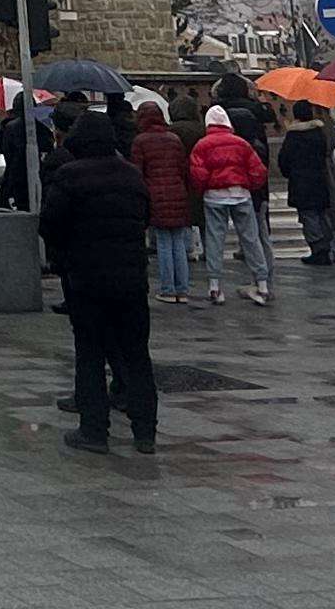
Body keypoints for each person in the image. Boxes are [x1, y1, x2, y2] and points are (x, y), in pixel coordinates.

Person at [40, 114, 156, 453]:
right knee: (136, 355)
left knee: (89, 353)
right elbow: (144, 217)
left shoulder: (70, 176)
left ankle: (94, 430)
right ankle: (145, 431)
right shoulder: (132, 175)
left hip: (87, 279)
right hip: (131, 280)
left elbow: (49, 224)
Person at [187, 109, 272, 307]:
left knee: (215, 240)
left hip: (214, 196)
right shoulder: (241, 143)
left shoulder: (202, 145)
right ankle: (262, 284)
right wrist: (247, 185)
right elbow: (258, 171)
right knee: (251, 239)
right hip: (240, 194)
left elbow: (197, 174)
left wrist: (207, 187)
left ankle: (215, 287)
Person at [130, 101, 197, 301]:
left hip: (155, 196)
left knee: (164, 243)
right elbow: (183, 169)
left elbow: (137, 172)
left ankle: (168, 289)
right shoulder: (174, 139)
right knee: (178, 242)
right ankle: (183, 289)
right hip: (177, 193)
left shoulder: (140, 141)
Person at [278, 104, 335, 265]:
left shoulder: (293, 136)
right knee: (321, 215)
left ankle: (318, 247)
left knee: (308, 216)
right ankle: (325, 244)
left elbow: (283, 160)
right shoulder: (320, 133)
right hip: (321, 181)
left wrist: (290, 173)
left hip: (300, 183)